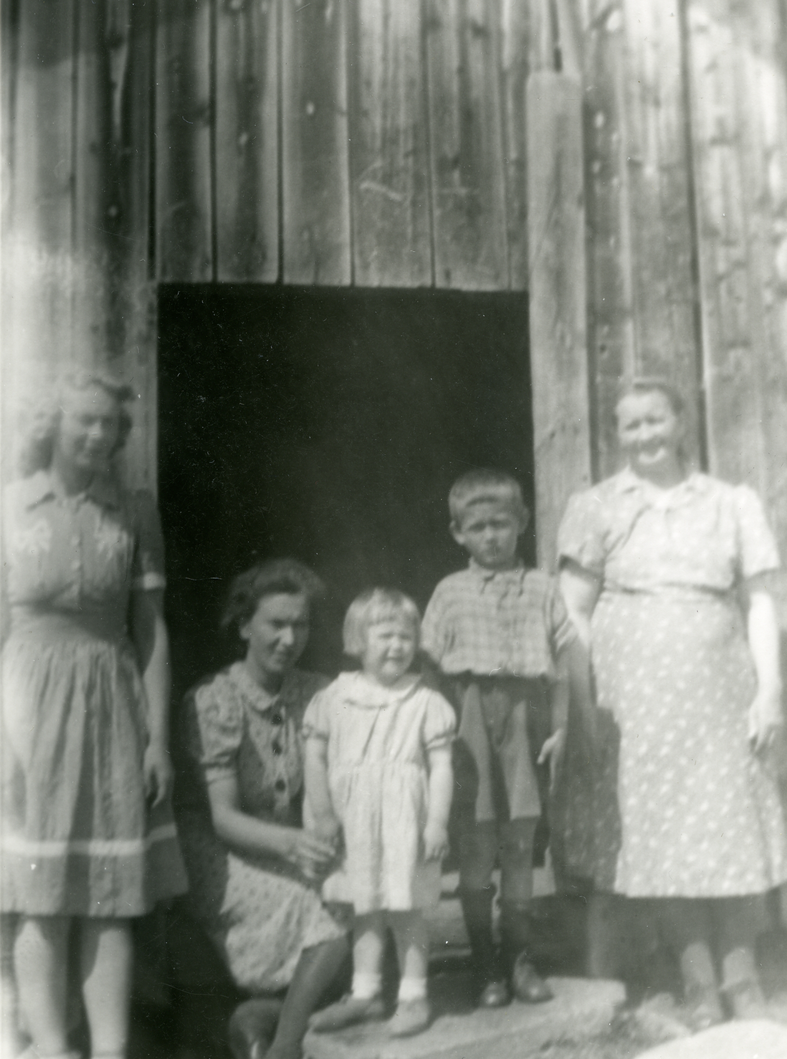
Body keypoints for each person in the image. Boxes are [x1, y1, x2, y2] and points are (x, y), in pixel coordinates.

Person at [557, 377, 787, 1028]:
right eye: (631, 425)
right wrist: (584, 707)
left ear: (679, 423)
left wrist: (768, 691)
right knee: (664, 837)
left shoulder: (729, 502)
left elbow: (760, 601)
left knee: (730, 826)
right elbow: (573, 613)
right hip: (634, 699)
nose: (645, 434)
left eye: (655, 420)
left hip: (720, 687)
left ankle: (741, 975)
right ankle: (697, 981)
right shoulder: (596, 506)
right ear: (616, 435)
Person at [0, 368, 186, 1059]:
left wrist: (157, 739)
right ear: (51, 424)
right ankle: (49, 1048)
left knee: (111, 895)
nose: (99, 434)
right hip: (24, 711)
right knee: (40, 892)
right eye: (85, 420)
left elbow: (152, 631)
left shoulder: (134, 511)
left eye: (110, 423)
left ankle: (109, 1050)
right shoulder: (10, 507)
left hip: (113, 705)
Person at [178, 560, 350, 1059]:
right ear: (243, 625)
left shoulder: (317, 692)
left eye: (300, 624)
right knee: (315, 913)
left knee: (358, 897)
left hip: (286, 842)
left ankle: (261, 1017)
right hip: (216, 848)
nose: (289, 638)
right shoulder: (216, 699)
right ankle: (285, 1045)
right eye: (276, 624)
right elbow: (223, 818)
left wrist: (323, 837)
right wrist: (296, 845)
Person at [420, 469, 578, 1008]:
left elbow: (560, 666)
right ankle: (483, 961)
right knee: (477, 843)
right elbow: (428, 671)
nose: (491, 536)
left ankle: (518, 957)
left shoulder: (543, 587)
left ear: (522, 524)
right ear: (457, 532)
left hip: (525, 715)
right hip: (468, 721)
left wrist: (558, 727)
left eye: (501, 524)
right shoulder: (449, 591)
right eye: (478, 526)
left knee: (518, 845)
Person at [304, 589, 455, 1038]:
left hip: (405, 824)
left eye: (406, 637)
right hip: (354, 824)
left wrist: (437, 822)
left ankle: (413, 996)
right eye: (385, 636)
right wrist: (324, 814)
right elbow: (314, 758)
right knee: (363, 907)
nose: (397, 646)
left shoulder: (424, 701)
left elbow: (442, 765)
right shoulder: (334, 696)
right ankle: (366, 996)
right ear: (357, 640)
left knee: (407, 911)